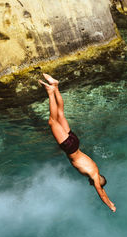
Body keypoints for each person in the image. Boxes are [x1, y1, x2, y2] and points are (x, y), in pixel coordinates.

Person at [39, 73, 116, 212]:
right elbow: (101, 193)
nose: (91, 184)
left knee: (61, 113)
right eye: (94, 184)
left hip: (75, 142)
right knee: (52, 121)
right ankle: (51, 92)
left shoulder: (95, 167)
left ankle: (55, 86)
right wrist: (110, 205)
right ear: (98, 181)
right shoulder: (93, 175)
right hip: (70, 147)